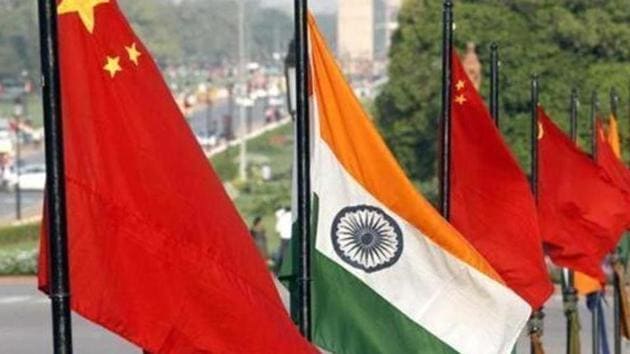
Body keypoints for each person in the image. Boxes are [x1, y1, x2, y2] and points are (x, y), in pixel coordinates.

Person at [273, 206, 292, 272]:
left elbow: (277, 229)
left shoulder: (282, 217)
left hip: (284, 238)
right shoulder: (293, 216)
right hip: (291, 237)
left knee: (282, 254)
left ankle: (279, 269)